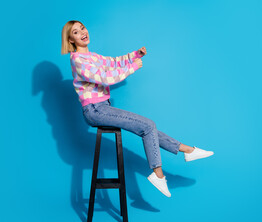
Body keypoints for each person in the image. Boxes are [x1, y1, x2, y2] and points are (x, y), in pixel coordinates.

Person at [61, 20, 214, 197]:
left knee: (148, 127)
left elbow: (114, 62)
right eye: (76, 32)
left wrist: (135, 55)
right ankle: (159, 174)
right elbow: (104, 78)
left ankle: (187, 150)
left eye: (82, 28)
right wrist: (132, 68)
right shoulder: (78, 60)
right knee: (148, 125)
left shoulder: (93, 57)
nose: (82, 32)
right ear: (71, 40)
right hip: (94, 110)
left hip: (103, 107)